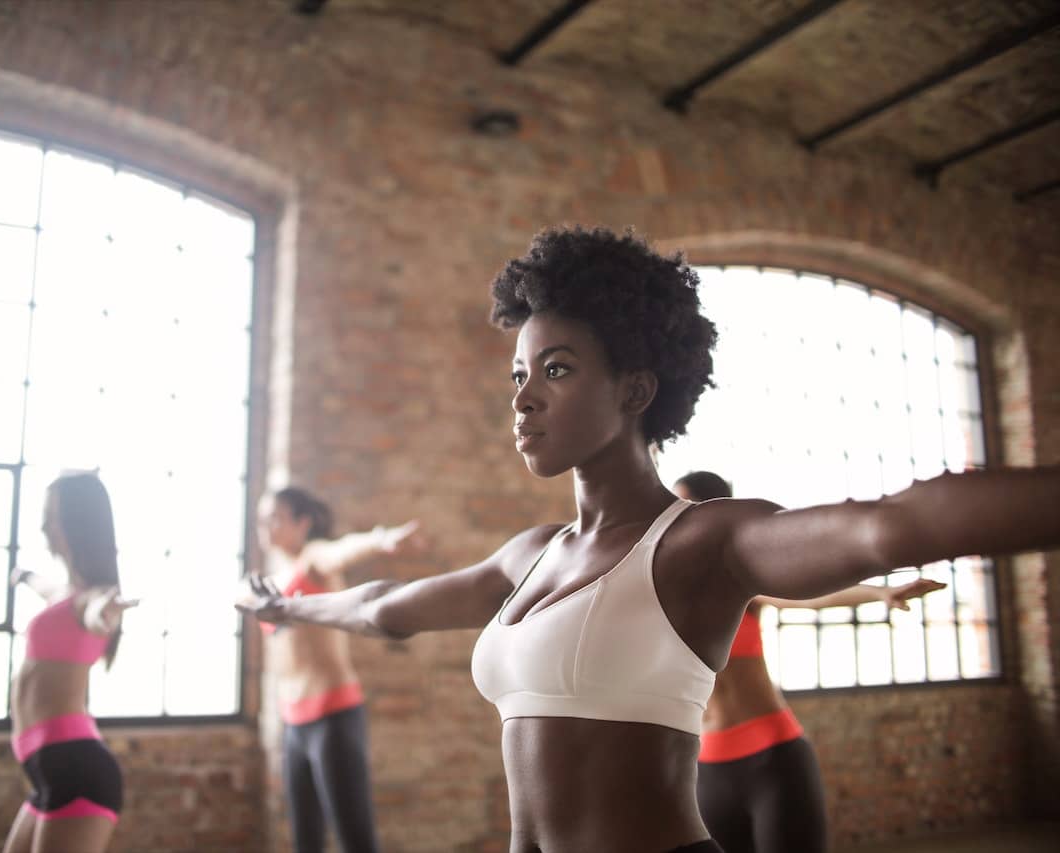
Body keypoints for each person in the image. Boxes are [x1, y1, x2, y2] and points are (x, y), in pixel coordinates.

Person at [236, 226, 1060, 853]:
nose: (524, 398)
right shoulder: (530, 555)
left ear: (634, 388)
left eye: (556, 370)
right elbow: (387, 606)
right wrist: (288, 606)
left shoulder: (703, 542)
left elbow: (891, 526)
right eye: (518, 375)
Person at [673, 470, 945, 853]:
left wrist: (877, 592)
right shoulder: (667, 592)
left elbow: (809, 594)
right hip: (707, 771)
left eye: (686, 506)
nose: (678, 517)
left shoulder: (741, 584)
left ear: (711, 512)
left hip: (772, 761)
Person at [252, 486, 422, 853]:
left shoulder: (311, 559)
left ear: (303, 523)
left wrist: (381, 539)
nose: (266, 528)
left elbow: (338, 551)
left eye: (276, 519)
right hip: (293, 724)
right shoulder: (273, 579)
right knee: (305, 842)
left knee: (354, 840)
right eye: (262, 520)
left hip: (332, 717)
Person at [3, 472, 137, 853]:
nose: (44, 525)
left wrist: (108, 611)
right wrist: (23, 576)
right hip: (48, 773)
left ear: (78, 522)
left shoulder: (91, 599)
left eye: (52, 515)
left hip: (77, 769)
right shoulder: (66, 594)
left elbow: (96, 610)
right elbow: (47, 587)